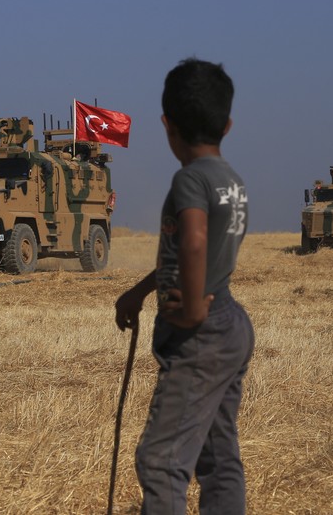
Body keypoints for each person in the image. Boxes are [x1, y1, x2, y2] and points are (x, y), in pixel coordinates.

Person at [114, 58, 254, 515]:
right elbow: (197, 250)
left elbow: (193, 240)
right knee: (217, 456)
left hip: (202, 332)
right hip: (231, 323)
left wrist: (192, 309)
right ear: (228, 125)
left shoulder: (189, 179)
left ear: (167, 125)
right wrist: (141, 290)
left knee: (160, 463)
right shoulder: (232, 182)